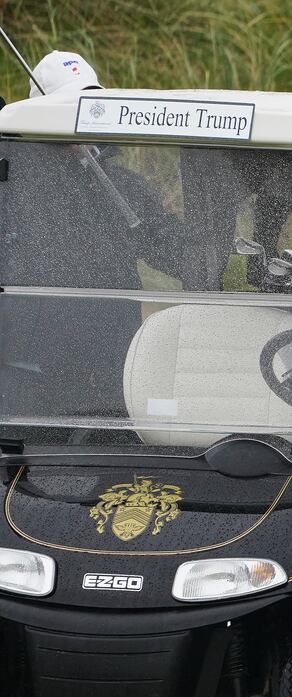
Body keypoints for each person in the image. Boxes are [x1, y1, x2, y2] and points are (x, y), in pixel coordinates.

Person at [1, 52, 200, 427]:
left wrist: (217, 257)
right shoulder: (12, 174)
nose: (82, 116)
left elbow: (167, 245)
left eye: (91, 105)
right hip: (31, 363)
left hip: (113, 356)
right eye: (68, 107)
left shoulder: (121, 184)